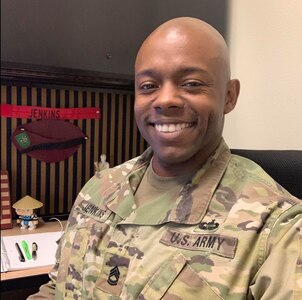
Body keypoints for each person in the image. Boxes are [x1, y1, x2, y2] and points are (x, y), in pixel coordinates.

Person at [28, 17, 301, 299]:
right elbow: (56, 288)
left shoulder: (277, 229)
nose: (165, 99)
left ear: (229, 96)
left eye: (192, 83)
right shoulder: (99, 189)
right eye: (148, 86)